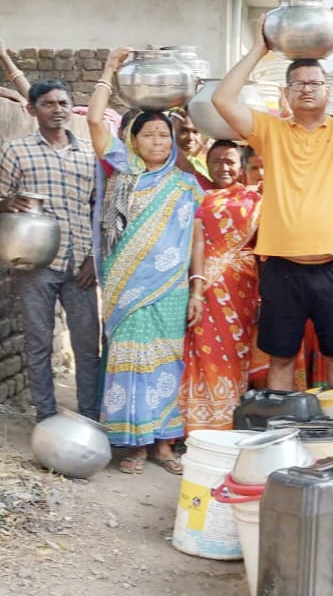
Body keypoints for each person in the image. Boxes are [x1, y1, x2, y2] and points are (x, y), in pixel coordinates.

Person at [212, 8, 333, 391]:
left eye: (316, 82)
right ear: (286, 93)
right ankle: (283, 437)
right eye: (298, 83)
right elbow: (223, 98)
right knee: (281, 359)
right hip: (282, 268)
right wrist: (259, 49)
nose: (308, 88)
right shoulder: (269, 130)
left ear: (329, 90)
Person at [89, 47, 203, 475]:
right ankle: (132, 445)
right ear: (133, 140)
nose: (158, 141)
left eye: (164, 135)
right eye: (149, 135)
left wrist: (198, 286)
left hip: (171, 289)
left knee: (166, 362)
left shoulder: (186, 184)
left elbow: (196, 237)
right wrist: (109, 71)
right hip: (126, 285)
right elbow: (95, 122)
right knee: (129, 360)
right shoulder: (124, 171)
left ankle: (163, 445)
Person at [0, 79, 101, 422]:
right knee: (38, 343)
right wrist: (6, 202)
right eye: (48, 104)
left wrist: (94, 258)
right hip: (35, 263)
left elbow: (98, 211)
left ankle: (90, 415)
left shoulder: (90, 152)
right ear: (31, 110)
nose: (57, 109)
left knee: (88, 347)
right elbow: (0, 196)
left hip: (81, 265)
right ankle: (46, 416)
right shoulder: (15, 151)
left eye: (63, 102)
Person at [180, 140, 261, 433]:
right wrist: (197, 289)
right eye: (216, 161)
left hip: (242, 288)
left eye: (229, 161)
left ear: (240, 166)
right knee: (202, 350)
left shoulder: (255, 199)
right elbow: (197, 243)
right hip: (207, 285)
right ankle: (198, 424)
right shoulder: (200, 195)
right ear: (208, 164)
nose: (223, 167)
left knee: (236, 353)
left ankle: (229, 422)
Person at [177, 113, 209, 179]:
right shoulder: (161, 164)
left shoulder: (202, 166)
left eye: (195, 132)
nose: (190, 138)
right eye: (184, 131)